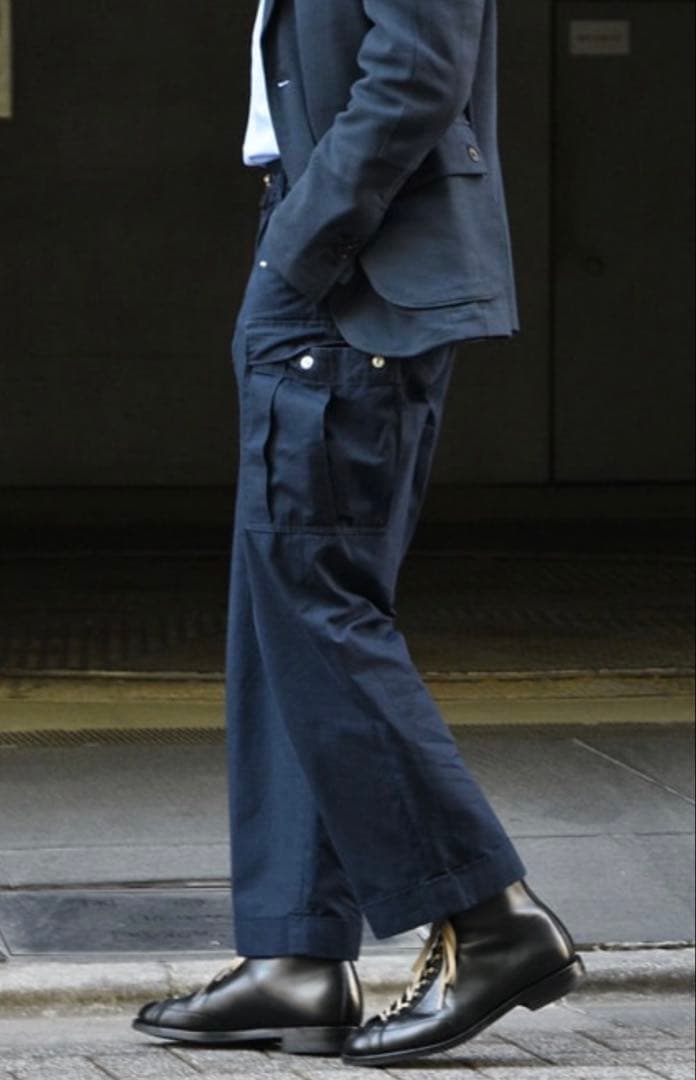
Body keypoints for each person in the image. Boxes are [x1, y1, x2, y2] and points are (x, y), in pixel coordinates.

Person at [133, 0, 585, 1066]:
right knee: (283, 612)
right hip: (332, 260)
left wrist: (304, 243)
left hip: (351, 270)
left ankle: (489, 918)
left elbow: (420, 65)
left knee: (316, 601)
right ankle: (295, 953)